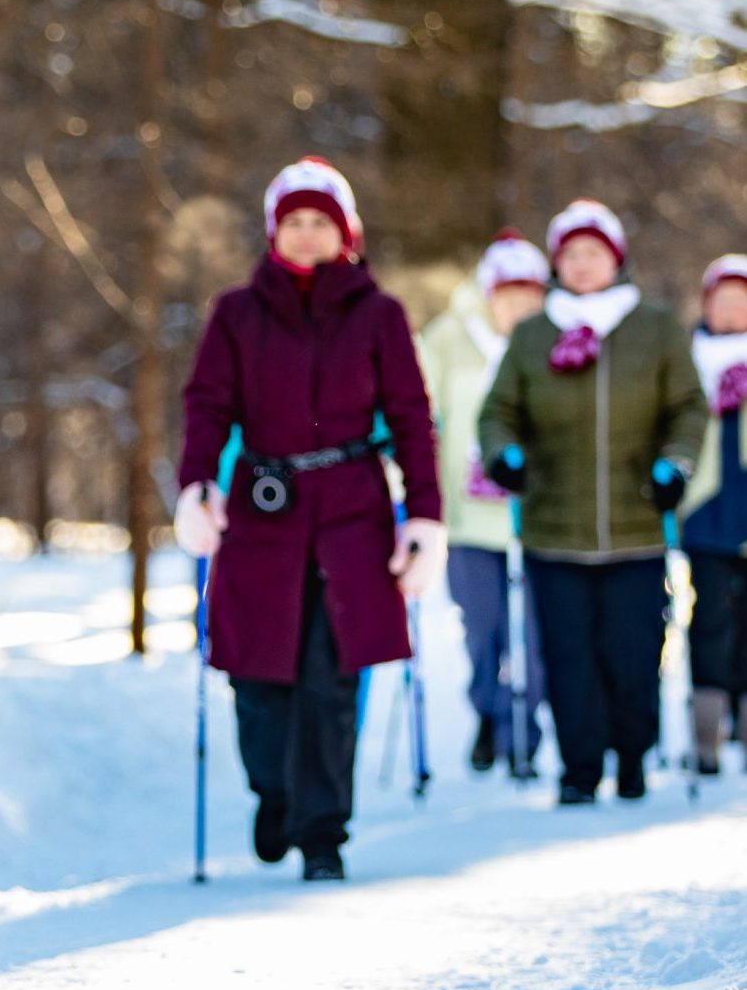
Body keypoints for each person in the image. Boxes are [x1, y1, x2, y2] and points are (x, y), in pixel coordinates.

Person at [175, 158, 444, 882]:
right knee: (258, 677)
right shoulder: (236, 312)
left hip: (353, 514)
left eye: (320, 221)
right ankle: (275, 792)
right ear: (273, 232)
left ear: (345, 234)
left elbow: (413, 420)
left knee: (331, 677)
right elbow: (207, 405)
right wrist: (197, 483)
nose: (306, 234)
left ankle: (323, 831)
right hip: (264, 512)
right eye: (293, 221)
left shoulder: (380, 314)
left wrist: (425, 516)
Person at [479, 199, 705, 805]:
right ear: (557, 264)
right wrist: (505, 454)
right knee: (568, 656)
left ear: (616, 258)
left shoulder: (653, 327)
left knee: (632, 655)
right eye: (571, 255)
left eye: (593, 253)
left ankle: (632, 757)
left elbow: (687, 405)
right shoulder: (533, 333)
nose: (582, 266)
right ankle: (579, 768)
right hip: (554, 529)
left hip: (637, 527)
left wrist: (675, 463)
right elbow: (499, 411)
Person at [417, 232, 550, 775]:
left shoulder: (555, 338)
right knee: (482, 628)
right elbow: (419, 407)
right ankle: (489, 715)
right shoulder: (449, 337)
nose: (519, 305)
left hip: (539, 515)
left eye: (529, 293)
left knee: (538, 635)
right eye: (508, 292)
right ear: (488, 292)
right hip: (470, 517)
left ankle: (526, 728)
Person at [679, 254, 747, 773]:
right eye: (721, 300)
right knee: (711, 619)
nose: (730, 310)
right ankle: (707, 730)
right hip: (706, 510)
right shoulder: (687, 360)